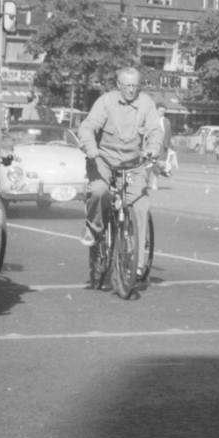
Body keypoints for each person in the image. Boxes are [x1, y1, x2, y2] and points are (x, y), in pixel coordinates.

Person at [78, 66, 164, 283]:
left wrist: (153, 147)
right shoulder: (106, 102)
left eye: (135, 85)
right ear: (118, 85)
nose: (131, 90)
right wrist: (90, 147)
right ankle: (93, 228)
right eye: (127, 86)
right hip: (104, 160)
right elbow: (88, 127)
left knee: (142, 206)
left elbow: (155, 130)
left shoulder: (146, 103)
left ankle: (137, 263)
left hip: (133, 164)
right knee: (98, 191)